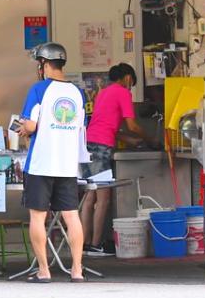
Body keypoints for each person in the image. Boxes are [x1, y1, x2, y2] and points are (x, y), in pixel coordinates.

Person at [17, 42, 87, 283]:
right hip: (67, 165)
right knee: (71, 216)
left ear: (44, 64)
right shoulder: (77, 93)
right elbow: (79, 128)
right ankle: (77, 269)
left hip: (41, 163)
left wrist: (24, 130)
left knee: (38, 217)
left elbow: (31, 125)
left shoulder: (39, 89)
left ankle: (44, 270)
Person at [80, 62, 151, 257]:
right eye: (132, 83)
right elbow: (133, 125)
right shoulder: (122, 92)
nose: (131, 87)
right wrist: (150, 139)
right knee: (103, 199)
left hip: (87, 144)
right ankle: (96, 245)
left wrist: (129, 140)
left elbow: (109, 127)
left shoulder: (103, 93)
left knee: (89, 196)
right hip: (102, 148)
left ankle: (84, 244)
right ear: (128, 77)